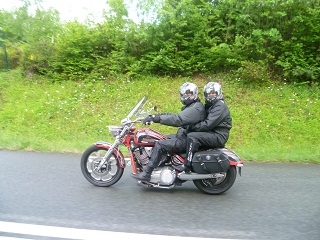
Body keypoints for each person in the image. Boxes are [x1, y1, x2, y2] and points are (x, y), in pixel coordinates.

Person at [131, 82, 206, 182]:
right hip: (184, 136)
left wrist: (156, 118)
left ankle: (147, 173)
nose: (186, 96)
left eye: (189, 94)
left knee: (160, 144)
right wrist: (154, 116)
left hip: (185, 139)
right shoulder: (193, 106)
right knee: (163, 138)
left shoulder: (196, 108)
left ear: (195, 94)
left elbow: (178, 119)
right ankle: (161, 165)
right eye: (184, 94)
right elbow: (174, 115)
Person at [184, 82, 232, 171]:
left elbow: (208, 124)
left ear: (218, 93)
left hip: (218, 135)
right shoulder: (211, 105)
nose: (210, 95)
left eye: (213, 93)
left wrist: (193, 127)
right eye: (208, 94)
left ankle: (187, 164)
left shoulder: (220, 106)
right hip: (213, 133)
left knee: (192, 136)